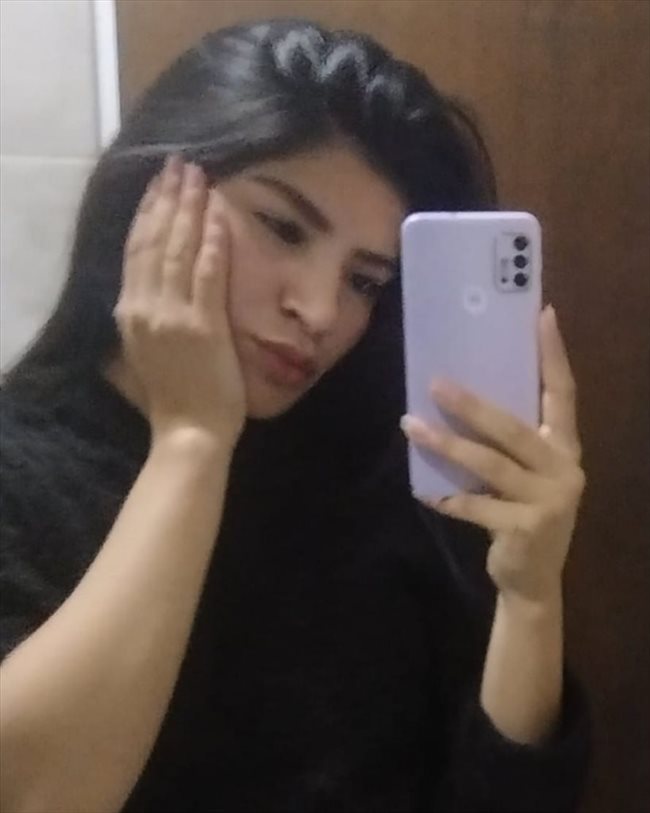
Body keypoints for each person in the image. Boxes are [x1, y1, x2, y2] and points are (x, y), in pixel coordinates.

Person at [0, 18, 591, 813]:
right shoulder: (19, 472)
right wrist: (192, 441)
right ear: (149, 198)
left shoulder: (383, 475)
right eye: (282, 227)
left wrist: (531, 597)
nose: (319, 311)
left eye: (365, 280)